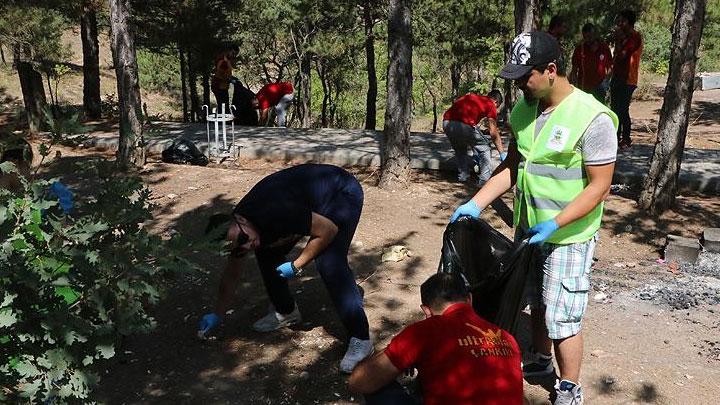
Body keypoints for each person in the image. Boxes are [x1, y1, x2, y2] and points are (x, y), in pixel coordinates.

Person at [450, 31, 618, 405]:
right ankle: (541, 361)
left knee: (563, 315)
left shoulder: (593, 118)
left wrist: (556, 225)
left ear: (552, 70)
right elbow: (514, 165)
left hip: (568, 233)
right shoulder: (524, 110)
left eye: (525, 76)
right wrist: (475, 203)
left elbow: (599, 187)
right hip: (529, 228)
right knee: (537, 301)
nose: (519, 85)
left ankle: (570, 388)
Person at [198, 163, 373, 373]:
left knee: (329, 261)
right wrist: (217, 313)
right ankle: (286, 311)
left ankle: (361, 339)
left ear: (241, 219)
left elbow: (328, 230)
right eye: (238, 247)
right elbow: (231, 274)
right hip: (306, 203)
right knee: (265, 250)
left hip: (340, 191)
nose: (245, 246)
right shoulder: (239, 232)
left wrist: (297, 265)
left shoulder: (276, 212)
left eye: (244, 239)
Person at [348, 272, 523, 405]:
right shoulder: (507, 338)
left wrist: (397, 354)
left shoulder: (425, 331)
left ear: (426, 311)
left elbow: (359, 382)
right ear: (469, 300)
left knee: (378, 385)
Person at [442, 90, 506, 186]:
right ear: (496, 101)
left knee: (461, 149)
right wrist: (502, 153)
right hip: (464, 124)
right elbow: (493, 132)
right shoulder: (490, 104)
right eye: (498, 106)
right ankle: (484, 181)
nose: (496, 109)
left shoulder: (471, 97)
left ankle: (463, 178)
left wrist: (475, 148)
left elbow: (470, 136)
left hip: (447, 123)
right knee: (485, 148)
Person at [610, 9, 642, 149]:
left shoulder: (634, 37)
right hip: (617, 77)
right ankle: (614, 138)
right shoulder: (624, 38)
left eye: (622, 20)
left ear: (628, 22)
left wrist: (617, 40)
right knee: (614, 109)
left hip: (628, 79)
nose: (619, 23)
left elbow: (622, 55)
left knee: (622, 109)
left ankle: (626, 138)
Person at [570, 23, 613, 102]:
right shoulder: (579, 49)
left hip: (600, 88)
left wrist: (605, 83)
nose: (588, 40)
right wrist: (574, 85)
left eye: (590, 37)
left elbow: (610, 68)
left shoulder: (604, 48)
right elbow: (574, 70)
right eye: (585, 37)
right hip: (584, 89)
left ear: (595, 35)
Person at [211, 45, 239, 110]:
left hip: (223, 86)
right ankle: (221, 119)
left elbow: (226, 73)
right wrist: (230, 80)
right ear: (228, 51)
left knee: (224, 105)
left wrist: (232, 78)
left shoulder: (227, 60)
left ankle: (223, 118)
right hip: (219, 86)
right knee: (223, 106)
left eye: (235, 54)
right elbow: (221, 74)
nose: (234, 56)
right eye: (233, 53)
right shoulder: (223, 60)